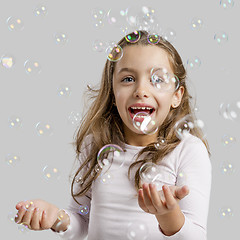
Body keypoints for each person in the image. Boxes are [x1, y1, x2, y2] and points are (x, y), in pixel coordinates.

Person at [14, 30, 212, 240]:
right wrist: (55, 217)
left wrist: (168, 216)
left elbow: (196, 236)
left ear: (176, 96)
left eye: (157, 79)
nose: (141, 90)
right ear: (113, 94)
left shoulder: (188, 151)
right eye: (128, 79)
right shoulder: (97, 144)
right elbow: (82, 222)